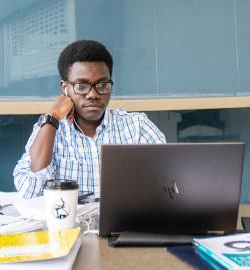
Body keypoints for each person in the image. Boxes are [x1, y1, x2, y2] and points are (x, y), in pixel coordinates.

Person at [13, 40, 166, 198]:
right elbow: (28, 190)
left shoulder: (136, 126)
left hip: (123, 222)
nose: (93, 94)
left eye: (102, 85)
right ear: (65, 88)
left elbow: (170, 182)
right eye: (81, 86)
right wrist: (52, 117)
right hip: (71, 222)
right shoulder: (50, 129)